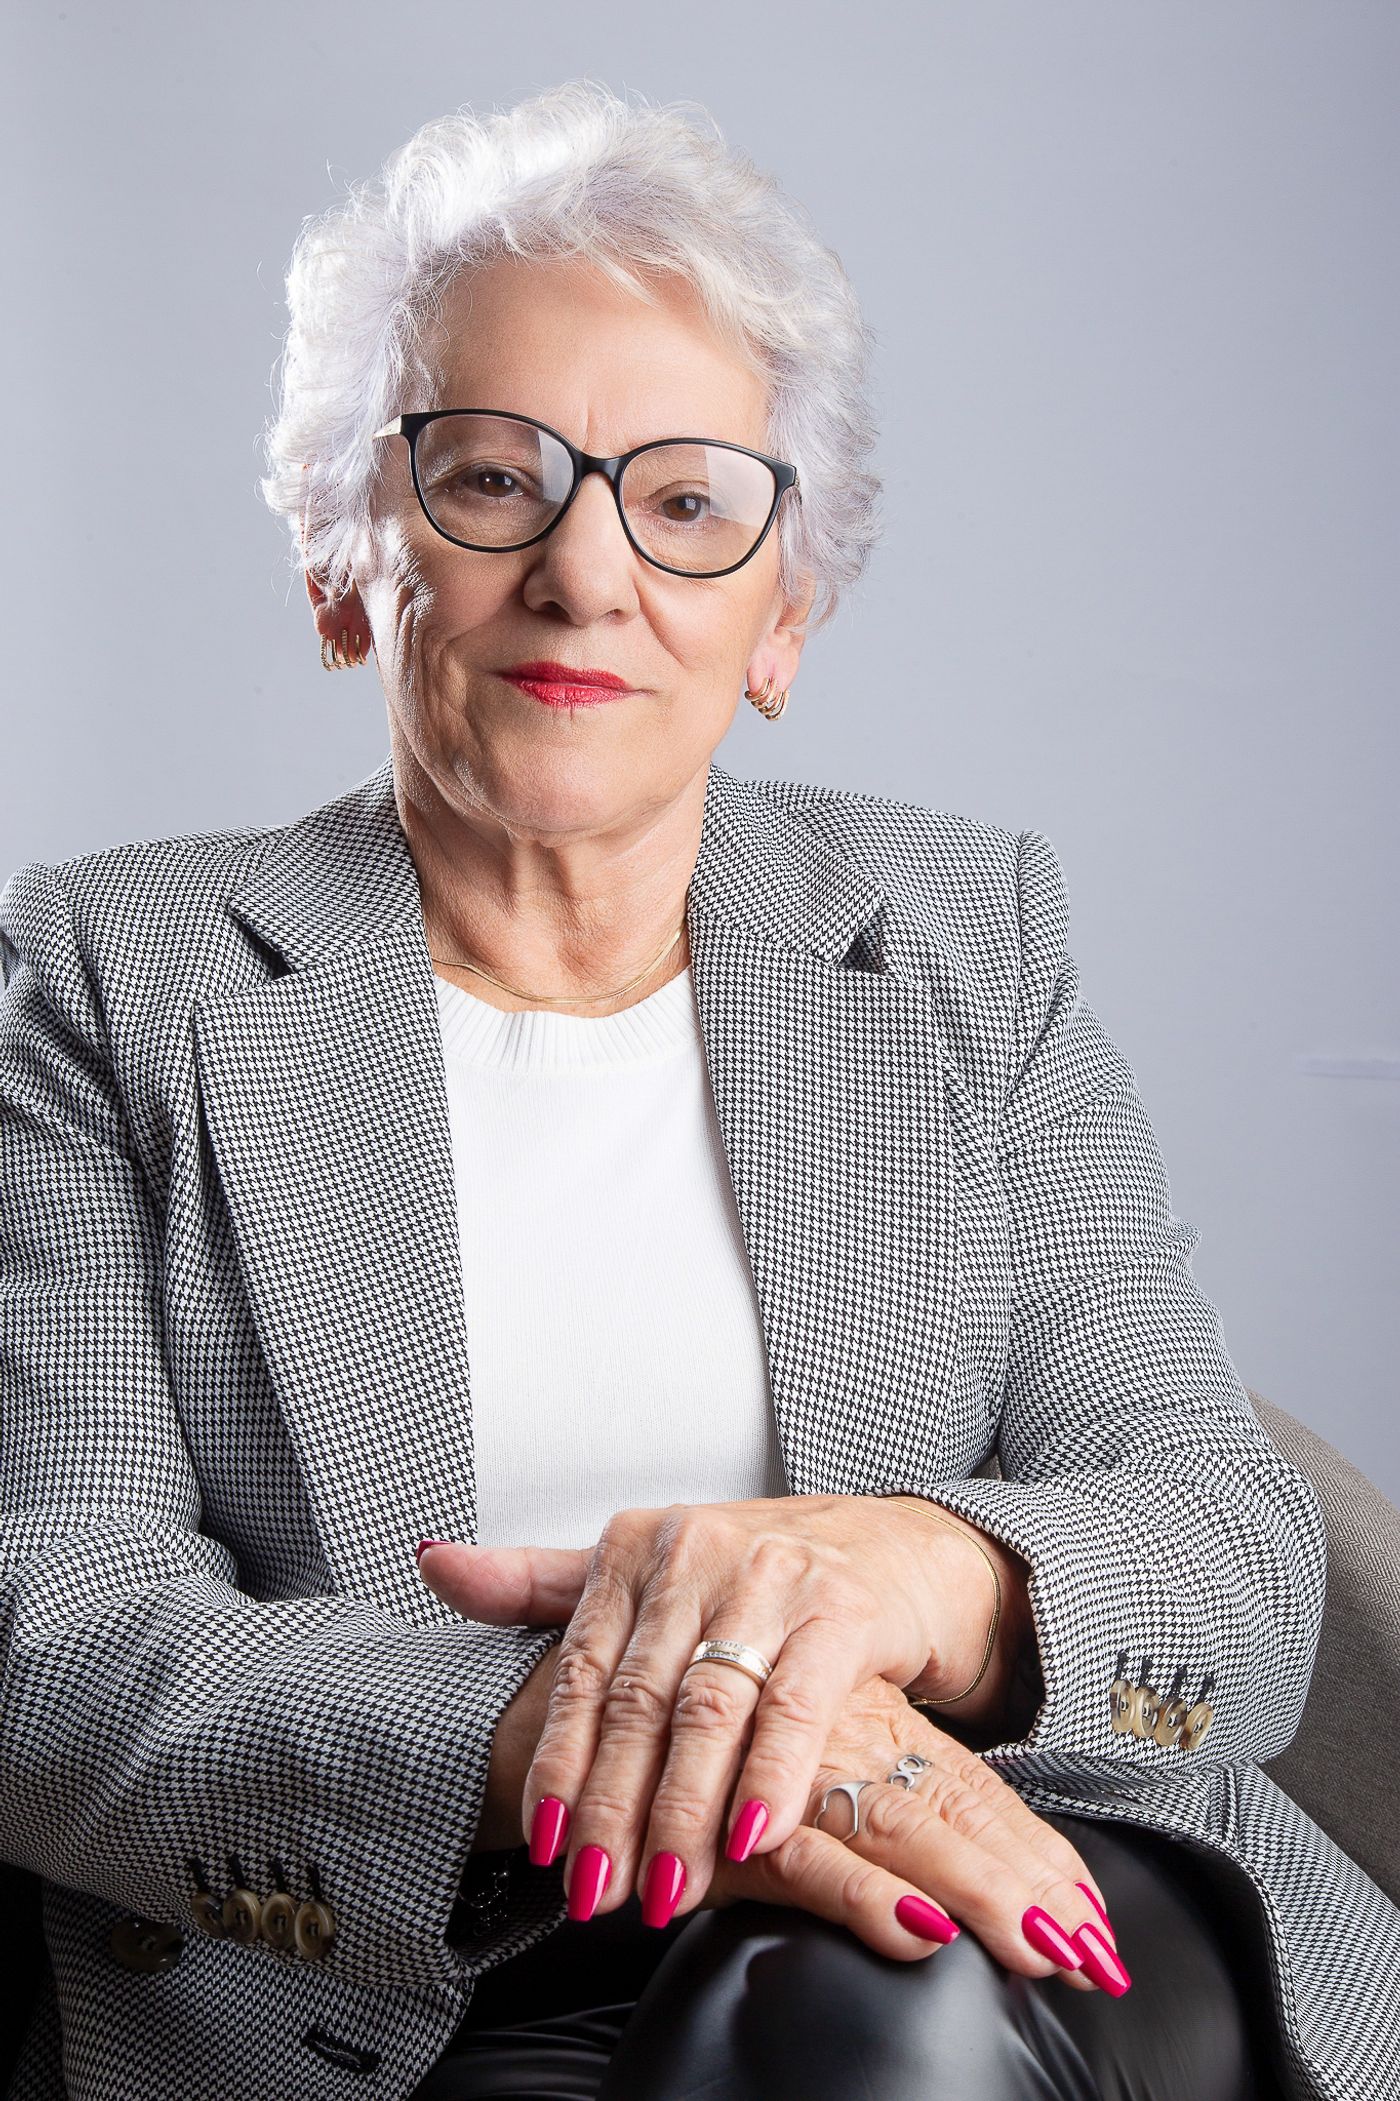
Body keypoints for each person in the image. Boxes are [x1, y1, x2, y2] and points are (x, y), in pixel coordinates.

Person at [2, 76, 1398, 2101]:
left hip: (1010, 1895)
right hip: (431, 1976)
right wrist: (626, 1721)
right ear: (339, 555)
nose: (587, 572)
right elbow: (58, 1637)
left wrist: (910, 1574)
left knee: (866, 2011)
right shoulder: (111, 977)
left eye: (684, 503)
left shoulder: (963, 939)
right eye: (493, 477)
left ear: (783, 612)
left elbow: (1233, 1552)